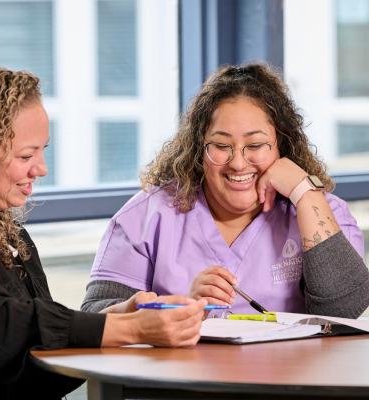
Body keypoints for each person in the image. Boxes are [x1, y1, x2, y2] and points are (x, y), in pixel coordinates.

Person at [0, 67, 208, 400]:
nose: (41, 169)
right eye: (26, 155)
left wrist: (112, 320)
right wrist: (127, 330)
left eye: (43, 151)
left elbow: (37, 349)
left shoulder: (6, 233)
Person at [82, 63, 369, 319]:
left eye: (255, 145)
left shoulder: (323, 211)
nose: (238, 162)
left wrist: (305, 192)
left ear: (283, 144)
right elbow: (96, 318)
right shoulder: (144, 216)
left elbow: (343, 313)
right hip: (175, 379)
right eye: (221, 146)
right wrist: (179, 307)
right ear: (199, 148)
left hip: (291, 378)